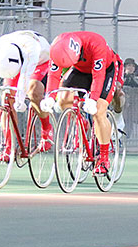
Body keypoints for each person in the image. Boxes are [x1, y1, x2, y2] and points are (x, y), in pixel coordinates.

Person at [40, 31, 119, 175]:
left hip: (105, 70)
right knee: (63, 99)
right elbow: (54, 74)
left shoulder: (96, 43)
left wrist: (93, 100)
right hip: (80, 69)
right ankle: (82, 121)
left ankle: (103, 158)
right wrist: (50, 97)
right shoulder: (58, 46)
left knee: (99, 111)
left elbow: (98, 75)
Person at [0, 30, 53, 161]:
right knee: (7, 98)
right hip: (15, 61)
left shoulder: (31, 48)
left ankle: (46, 130)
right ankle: (9, 147)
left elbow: (25, 76)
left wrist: (20, 99)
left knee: (33, 91)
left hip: (40, 60)